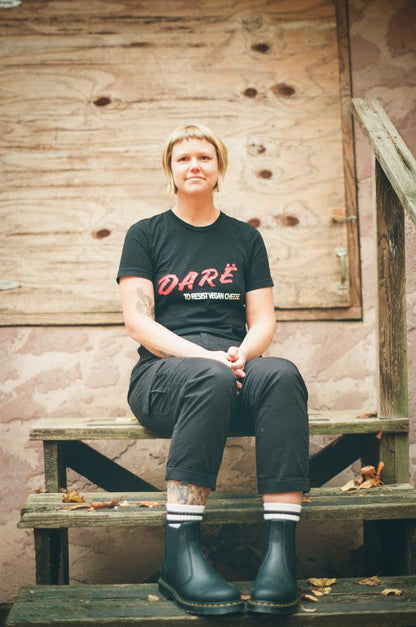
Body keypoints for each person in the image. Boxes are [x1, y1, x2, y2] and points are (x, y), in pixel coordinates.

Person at [117, 124, 309, 616]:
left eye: (204, 157)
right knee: (210, 376)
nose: (194, 165)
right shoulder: (146, 234)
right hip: (164, 378)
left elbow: (263, 319)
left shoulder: (245, 238)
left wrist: (243, 354)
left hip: (232, 368)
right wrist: (202, 358)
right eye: (183, 159)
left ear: (219, 168)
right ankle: (179, 557)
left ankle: (280, 556)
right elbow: (138, 321)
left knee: (282, 373)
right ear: (171, 170)